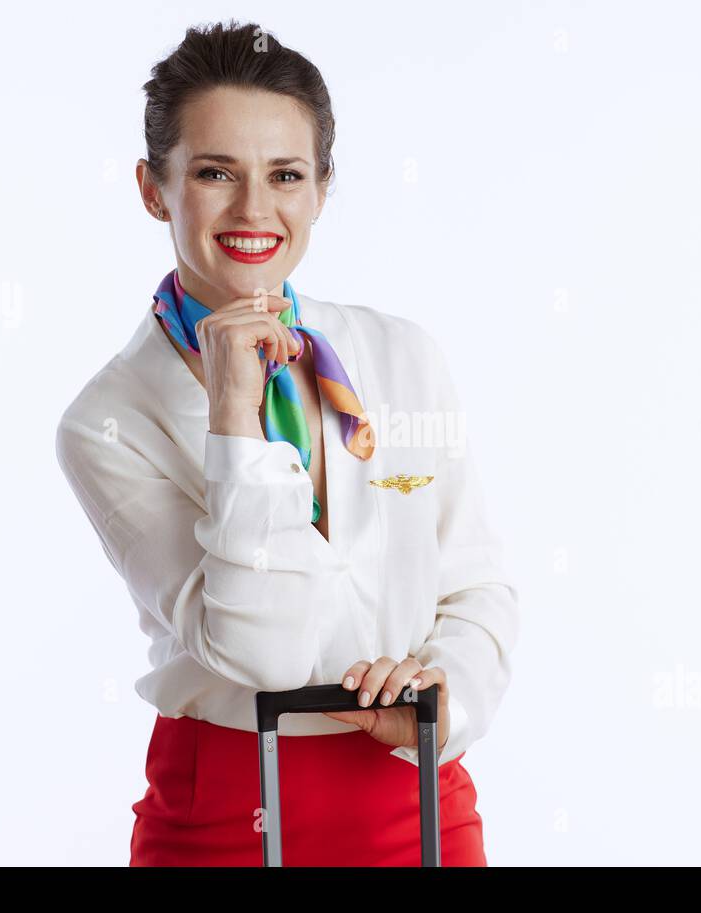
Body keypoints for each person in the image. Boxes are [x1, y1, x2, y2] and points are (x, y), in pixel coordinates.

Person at [54, 19, 520, 866]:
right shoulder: (106, 421)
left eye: (286, 175)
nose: (254, 211)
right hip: (228, 814)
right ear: (154, 189)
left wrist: (442, 694)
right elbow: (262, 650)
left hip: (415, 793)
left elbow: (479, 587)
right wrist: (233, 415)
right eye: (214, 173)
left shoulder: (403, 356)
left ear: (321, 189)